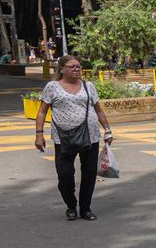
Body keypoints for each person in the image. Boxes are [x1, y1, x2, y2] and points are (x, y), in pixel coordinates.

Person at [33, 55, 114, 221]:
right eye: (72, 66)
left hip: (90, 135)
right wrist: (39, 134)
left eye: (78, 66)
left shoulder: (88, 86)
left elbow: (98, 110)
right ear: (62, 69)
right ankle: (71, 205)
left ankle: (85, 208)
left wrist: (107, 129)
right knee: (64, 174)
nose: (76, 69)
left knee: (89, 172)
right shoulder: (52, 87)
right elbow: (42, 111)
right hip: (63, 138)